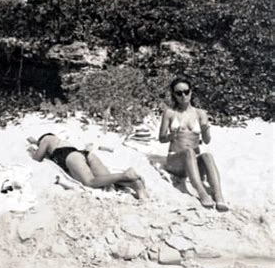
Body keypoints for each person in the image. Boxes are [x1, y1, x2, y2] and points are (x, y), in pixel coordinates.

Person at [159, 76, 228, 211]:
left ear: (191, 92)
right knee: (189, 152)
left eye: (186, 91)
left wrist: (205, 130)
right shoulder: (169, 113)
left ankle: (218, 195)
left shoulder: (200, 113)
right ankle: (201, 192)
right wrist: (171, 136)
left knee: (207, 155)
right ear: (174, 95)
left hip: (194, 163)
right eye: (179, 93)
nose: (183, 95)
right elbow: (161, 138)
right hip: (176, 160)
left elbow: (207, 140)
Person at [28, 133, 148, 200]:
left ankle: (125, 174)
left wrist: (33, 150)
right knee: (108, 179)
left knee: (90, 182)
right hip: (84, 154)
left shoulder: (47, 139)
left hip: (69, 156)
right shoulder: (61, 140)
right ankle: (135, 184)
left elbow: (37, 158)